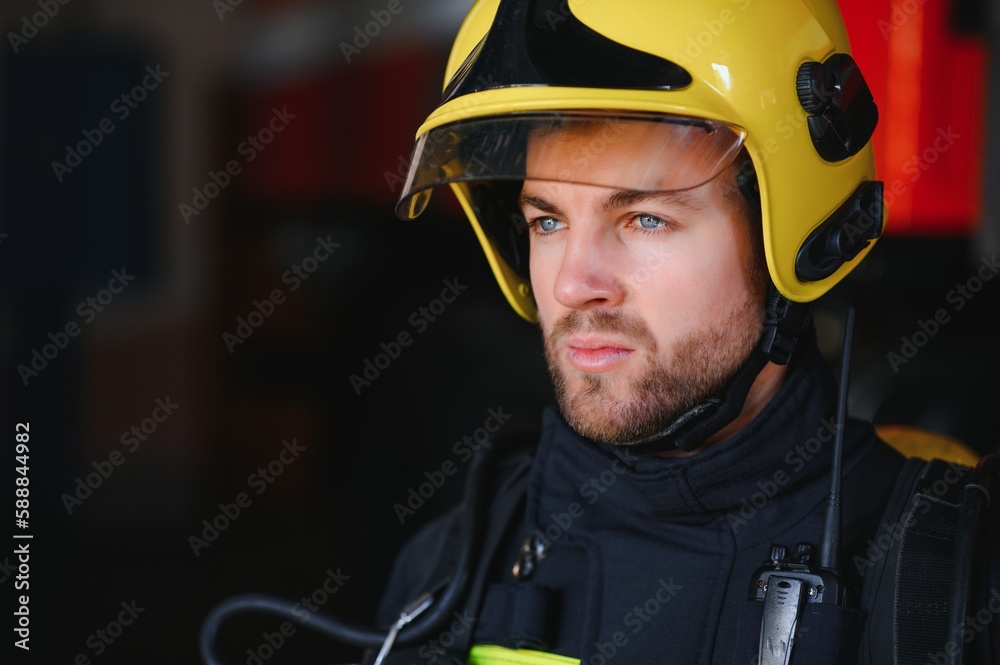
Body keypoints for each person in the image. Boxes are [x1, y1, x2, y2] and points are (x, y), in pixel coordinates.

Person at [370, 1, 999, 663]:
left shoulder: (948, 586)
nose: (572, 284)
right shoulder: (452, 569)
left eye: (645, 219)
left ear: (797, 231)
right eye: (547, 220)